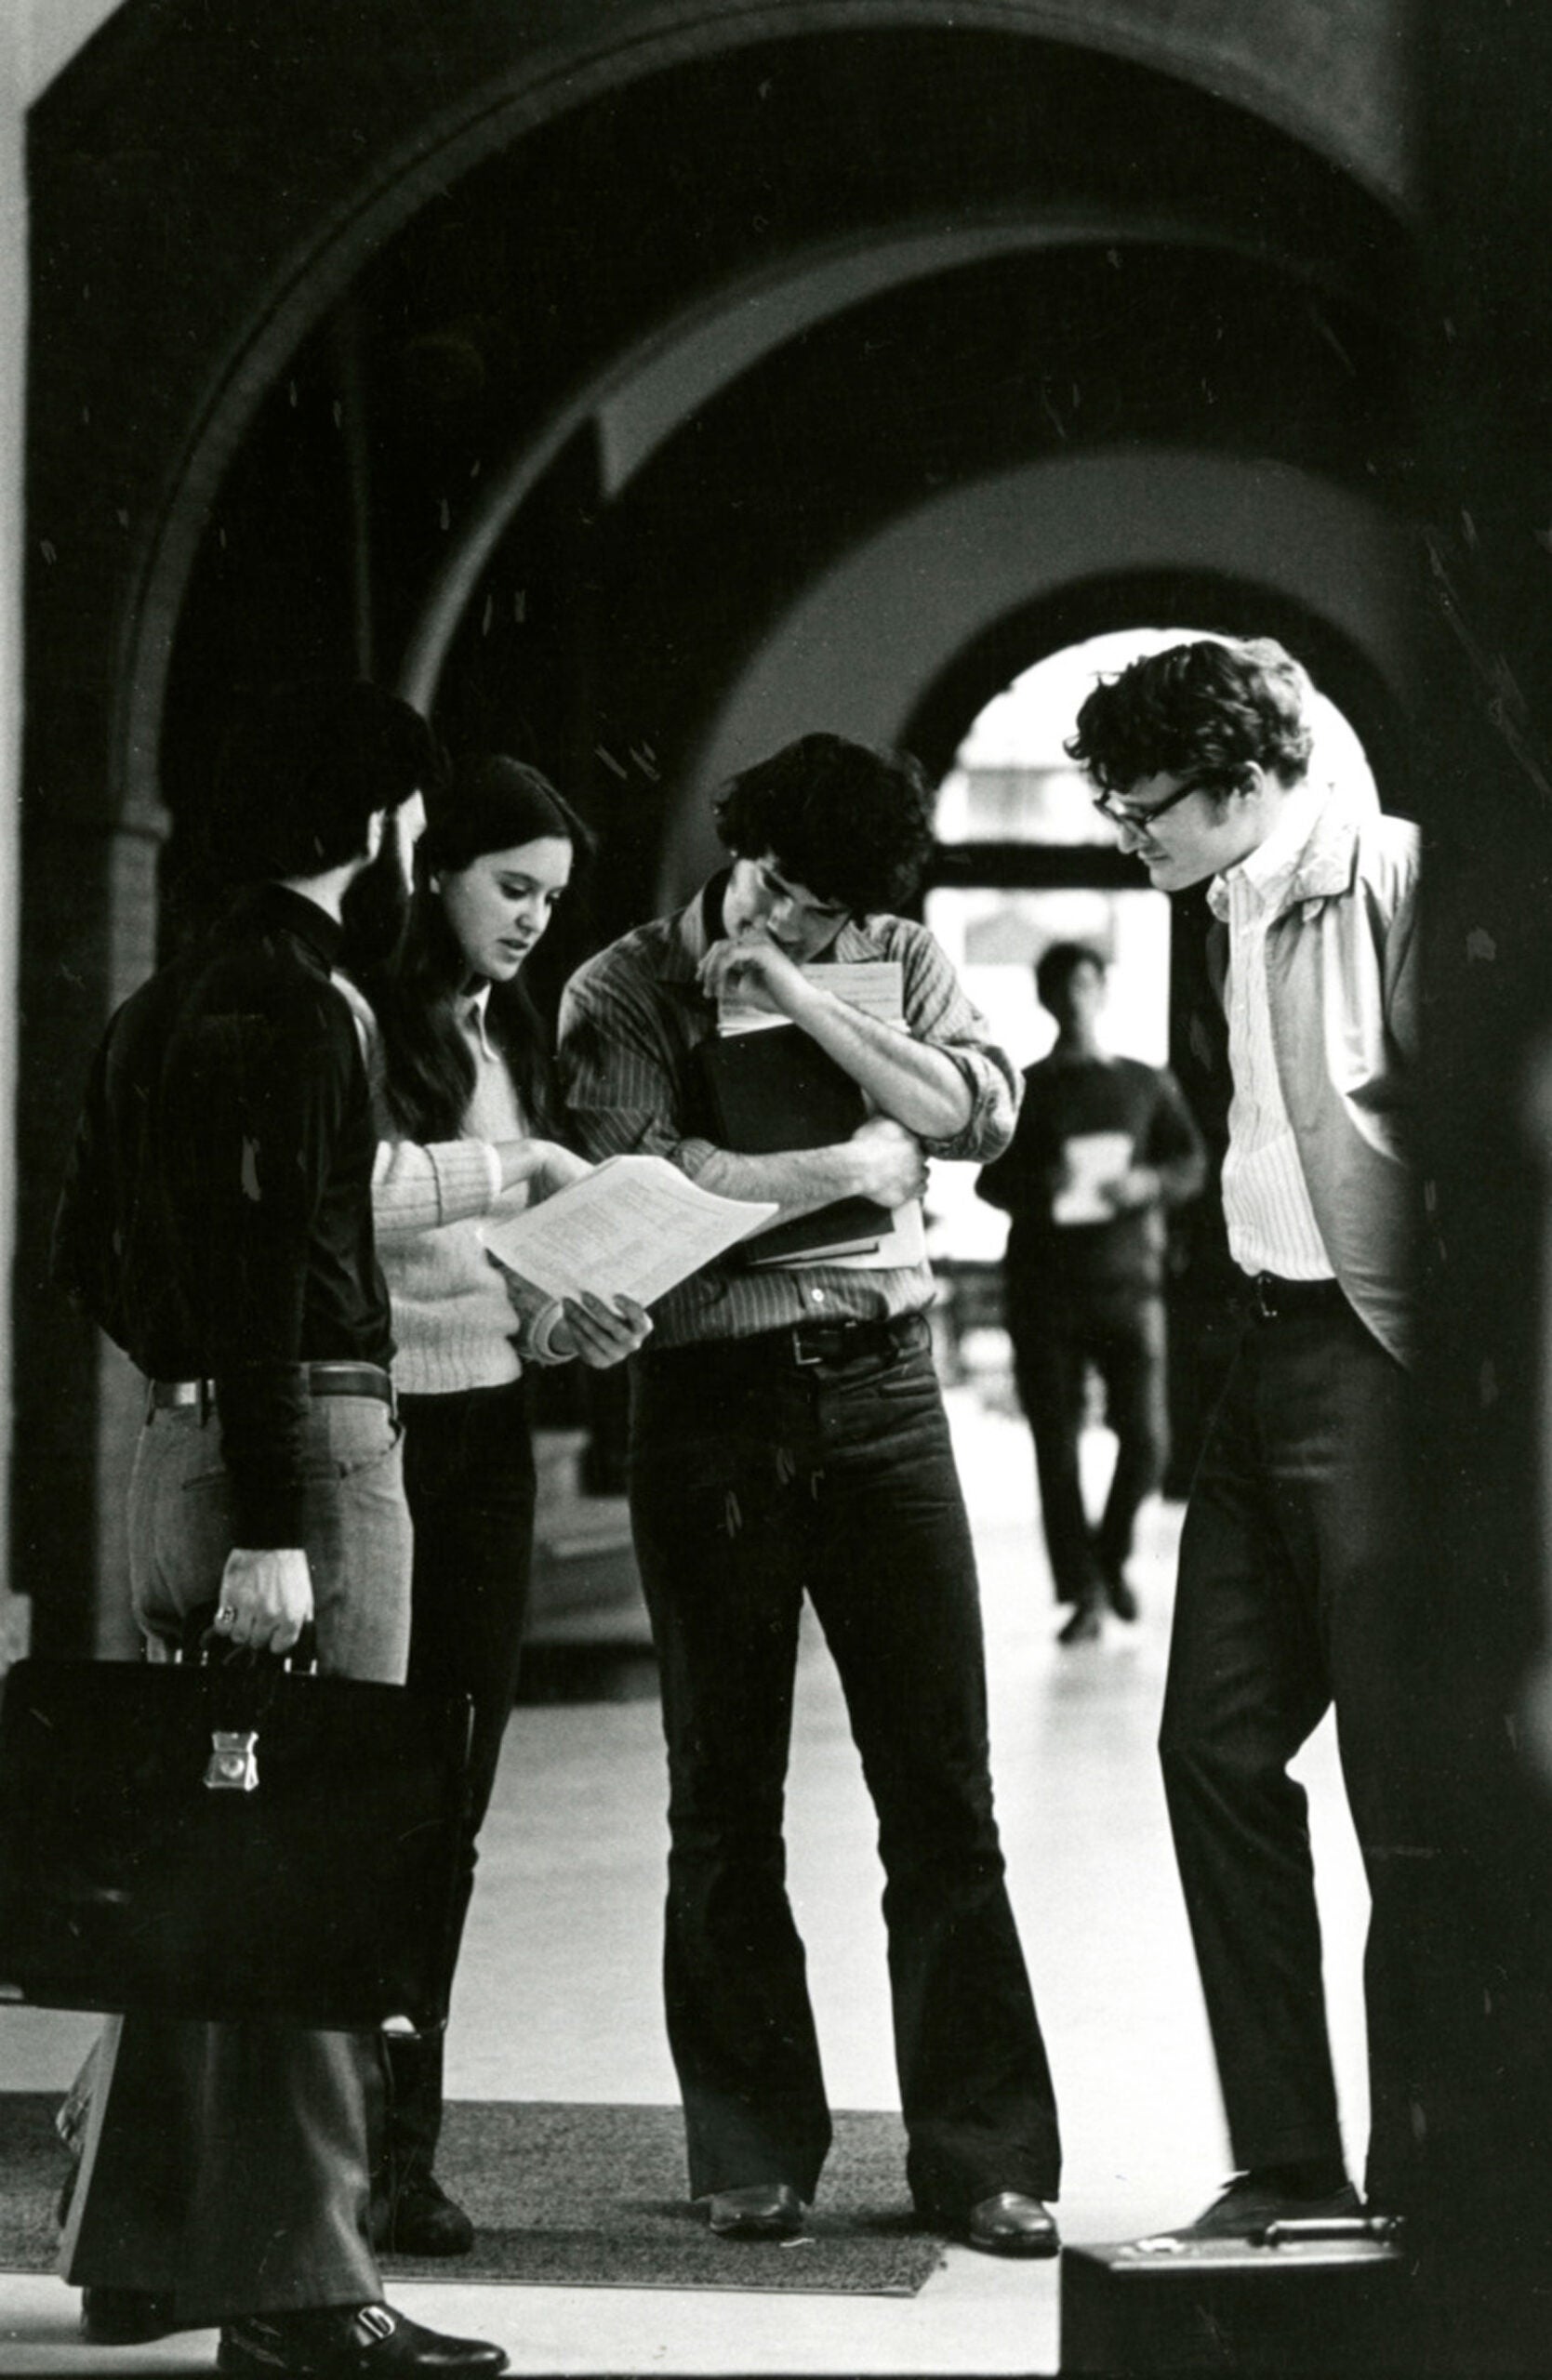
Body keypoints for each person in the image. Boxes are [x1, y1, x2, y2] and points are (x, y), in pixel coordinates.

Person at [48, 681, 508, 2379]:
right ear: (383, 832)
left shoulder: (157, 1005)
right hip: (298, 1452)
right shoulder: (303, 1006)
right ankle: (309, 2288)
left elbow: (90, 1255)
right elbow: (263, 1270)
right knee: (325, 1864)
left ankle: (144, 2248)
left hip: (190, 1442)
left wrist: (188, 1427)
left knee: (204, 1853)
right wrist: (267, 1505)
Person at [558, 731, 1063, 2256]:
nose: (846, 936)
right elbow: (645, 1188)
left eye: (859, 917)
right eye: (813, 911)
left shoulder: (896, 951)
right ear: (753, 864)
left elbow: (979, 1118)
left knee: (943, 1793)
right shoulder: (624, 988)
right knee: (724, 1800)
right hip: (708, 1411)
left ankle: (980, 2160)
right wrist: (847, 1174)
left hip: (885, 1396)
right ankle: (749, 2152)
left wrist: (801, 1004)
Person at [1065, 637, 1420, 2236]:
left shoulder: (1391, 879)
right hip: (1263, 1355)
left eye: (1145, 810)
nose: (1129, 840)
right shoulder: (1223, 904)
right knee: (1207, 1748)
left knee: (1406, 1787)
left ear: (1245, 779)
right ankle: (1286, 2167)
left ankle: (1432, 2183)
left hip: (1383, 1362)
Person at [346, 754, 651, 2254]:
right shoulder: (358, 1010)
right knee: (356, 1797)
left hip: (484, 1429)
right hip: (369, 1429)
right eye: (511, 888)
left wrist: (572, 1320)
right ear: (436, 873)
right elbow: (351, 1191)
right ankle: (311, 2147)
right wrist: (514, 1164)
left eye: (552, 899)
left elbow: (511, 1264)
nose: (534, 921)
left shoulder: (504, 1024)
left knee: (452, 1806)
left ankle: (403, 2155)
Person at [975, 942, 1206, 1645]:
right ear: (1045, 998)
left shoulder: (1145, 1083)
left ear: (1103, 991)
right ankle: (1081, 1595)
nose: (1076, 996)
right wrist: (1036, 1189)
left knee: (1147, 1440)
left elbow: (1190, 1162)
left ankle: (1107, 1563)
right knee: (1057, 1445)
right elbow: (987, 1179)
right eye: (1063, 985)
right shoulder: (1025, 1087)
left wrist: (1147, 1185)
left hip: (1129, 1284)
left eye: (1086, 982)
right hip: (1045, 1291)